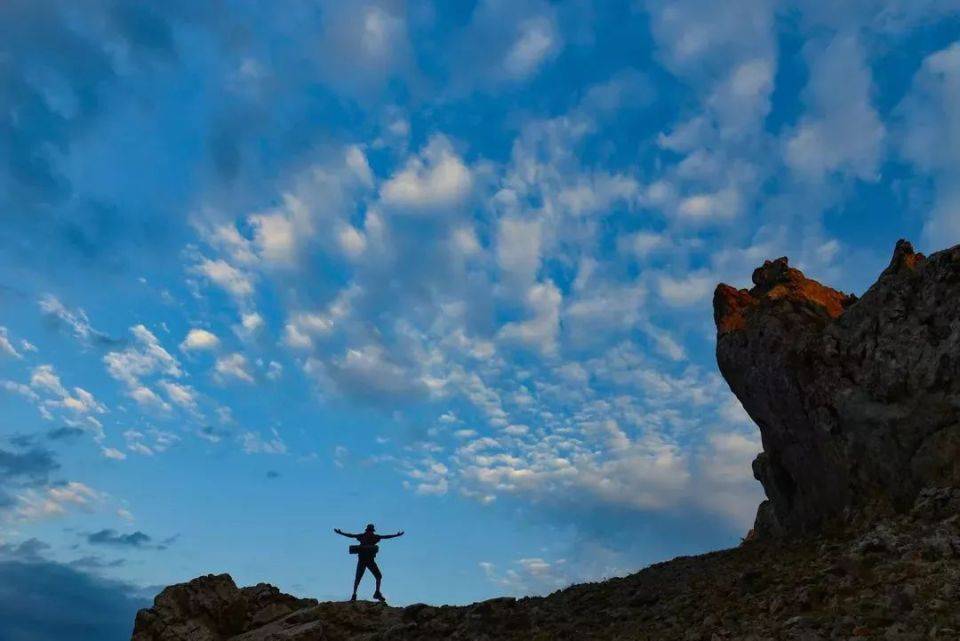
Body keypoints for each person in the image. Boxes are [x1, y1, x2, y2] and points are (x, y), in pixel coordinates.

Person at [334, 523, 404, 602]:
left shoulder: (366, 536)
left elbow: (385, 537)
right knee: (360, 578)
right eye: (370, 531)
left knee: (376, 576)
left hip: (368, 560)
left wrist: (396, 535)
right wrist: (341, 533)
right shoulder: (371, 537)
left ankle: (375, 593)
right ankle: (356, 595)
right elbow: (351, 535)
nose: (370, 532)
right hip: (365, 560)